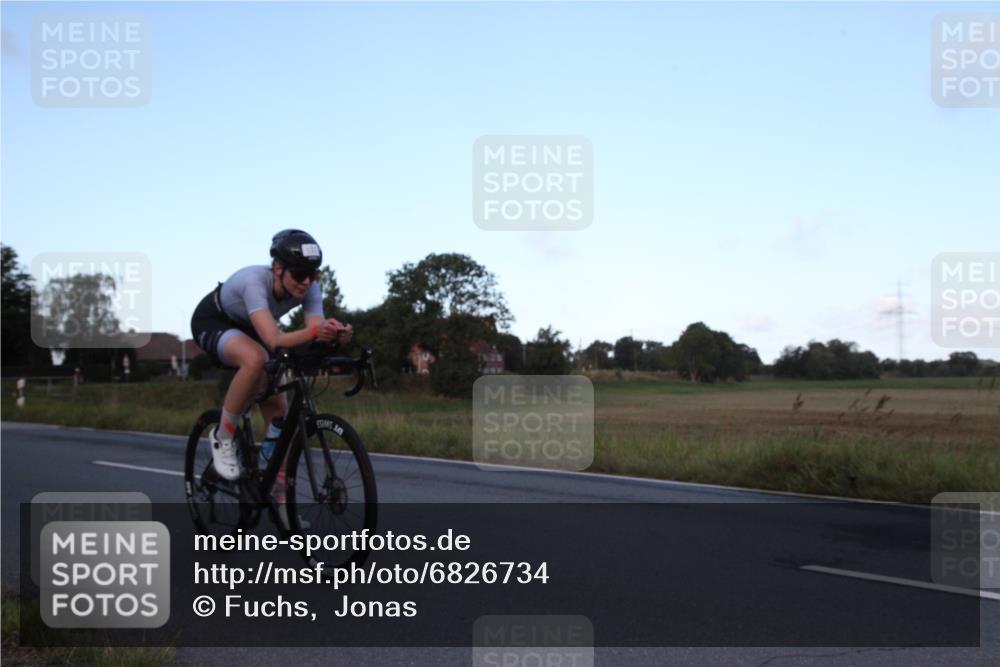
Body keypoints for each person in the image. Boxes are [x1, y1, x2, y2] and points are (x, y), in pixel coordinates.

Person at [190, 230, 352, 489]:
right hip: (214, 321)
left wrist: (335, 335)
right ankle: (223, 436)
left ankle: (279, 502)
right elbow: (274, 339)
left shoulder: (310, 287)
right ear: (278, 268)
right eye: (299, 274)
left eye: (313, 275)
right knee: (255, 358)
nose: (306, 282)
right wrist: (314, 331)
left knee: (279, 409)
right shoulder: (254, 282)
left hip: (255, 327)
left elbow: (314, 332)